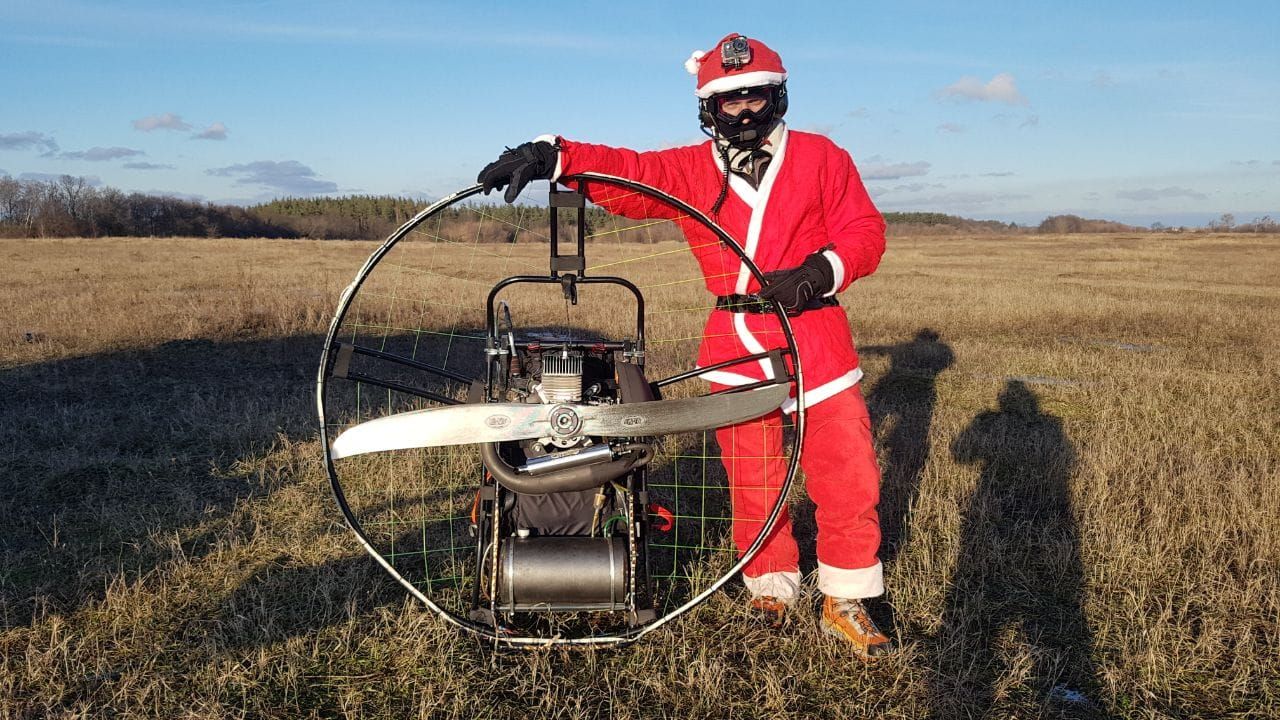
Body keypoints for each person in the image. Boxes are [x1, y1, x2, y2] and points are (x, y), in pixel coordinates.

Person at [477, 33, 892, 660]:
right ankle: (771, 587)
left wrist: (818, 272)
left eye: (756, 95)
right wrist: (553, 156)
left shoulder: (823, 157)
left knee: (847, 473)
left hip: (817, 340)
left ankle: (848, 594)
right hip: (735, 345)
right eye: (731, 100)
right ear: (710, 107)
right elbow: (632, 173)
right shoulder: (693, 169)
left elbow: (865, 232)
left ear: (778, 96)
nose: (746, 109)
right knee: (752, 477)